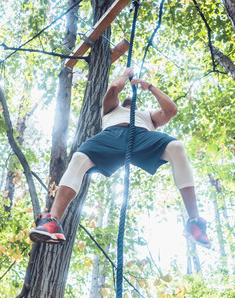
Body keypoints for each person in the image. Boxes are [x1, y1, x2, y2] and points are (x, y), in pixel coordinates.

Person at [30, 67, 210, 248]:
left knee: (176, 147)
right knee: (78, 158)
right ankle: (52, 221)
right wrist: (125, 75)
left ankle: (194, 222)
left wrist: (151, 88)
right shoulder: (111, 109)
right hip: (111, 137)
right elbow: (114, 89)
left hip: (142, 138)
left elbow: (171, 110)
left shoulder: (147, 116)